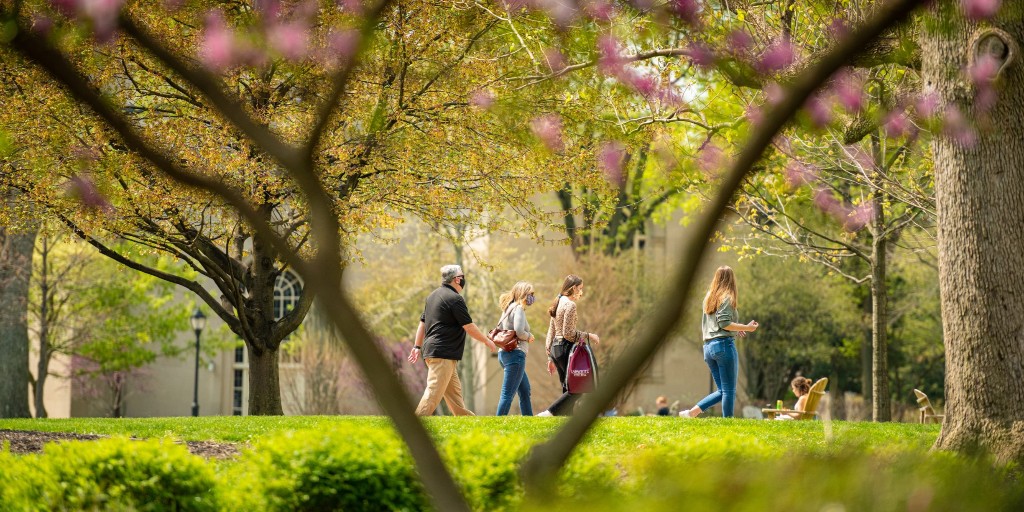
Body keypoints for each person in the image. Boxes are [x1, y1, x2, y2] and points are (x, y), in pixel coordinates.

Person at [408, 264, 496, 416]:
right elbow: (468, 326)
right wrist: (486, 341)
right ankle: (416, 423)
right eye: (462, 276)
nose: (463, 280)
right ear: (457, 279)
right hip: (443, 354)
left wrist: (417, 346)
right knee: (433, 392)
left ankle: (466, 421)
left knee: (454, 394)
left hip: (437, 352)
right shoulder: (455, 299)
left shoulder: (432, 296)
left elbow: (422, 323)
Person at [680, 265, 758, 419]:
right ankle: (727, 424)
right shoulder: (727, 297)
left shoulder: (709, 297)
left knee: (722, 390)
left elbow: (718, 324)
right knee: (729, 391)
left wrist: (736, 329)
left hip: (708, 348)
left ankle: (691, 413)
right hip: (723, 346)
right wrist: (747, 328)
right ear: (731, 280)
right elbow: (724, 324)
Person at [536, 275, 600, 417]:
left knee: (567, 387)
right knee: (577, 388)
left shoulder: (558, 302)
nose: (581, 292)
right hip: (565, 348)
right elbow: (568, 334)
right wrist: (589, 335)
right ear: (574, 288)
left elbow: (551, 332)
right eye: (580, 289)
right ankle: (549, 413)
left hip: (555, 349)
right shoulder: (570, 305)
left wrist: (550, 357)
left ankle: (566, 419)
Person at [495, 281, 537, 416]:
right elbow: (519, 331)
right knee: (507, 394)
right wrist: (529, 336)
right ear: (523, 294)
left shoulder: (508, 308)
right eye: (531, 294)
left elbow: (501, 330)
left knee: (525, 390)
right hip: (515, 355)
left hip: (504, 354)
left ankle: (529, 421)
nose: (532, 297)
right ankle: (497, 424)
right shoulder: (518, 308)